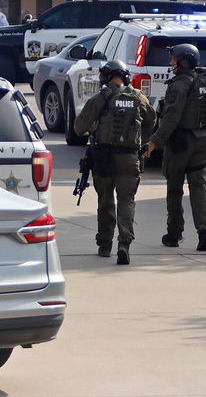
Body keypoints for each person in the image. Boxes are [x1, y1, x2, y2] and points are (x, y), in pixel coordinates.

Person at [74, 59, 155, 266]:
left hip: (103, 157)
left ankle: (104, 245)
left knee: (106, 201)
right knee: (126, 200)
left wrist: (91, 129)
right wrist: (142, 140)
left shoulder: (100, 98)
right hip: (129, 157)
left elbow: (78, 127)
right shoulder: (138, 97)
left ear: (106, 77)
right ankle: (124, 244)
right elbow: (151, 120)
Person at [145, 43, 206, 252]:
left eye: (174, 59)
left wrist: (155, 141)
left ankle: (174, 234)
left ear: (183, 61)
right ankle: (205, 232)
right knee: (199, 188)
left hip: (180, 144)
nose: (171, 63)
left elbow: (171, 117)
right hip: (203, 141)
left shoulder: (178, 85)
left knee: (174, 189)